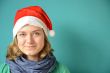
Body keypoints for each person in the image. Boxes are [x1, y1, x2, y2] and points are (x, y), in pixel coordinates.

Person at [0, 6, 70, 73]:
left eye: (36, 33)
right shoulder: (3, 69)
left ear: (44, 37)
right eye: (22, 34)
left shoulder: (62, 70)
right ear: (16, 38)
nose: (29, 41)